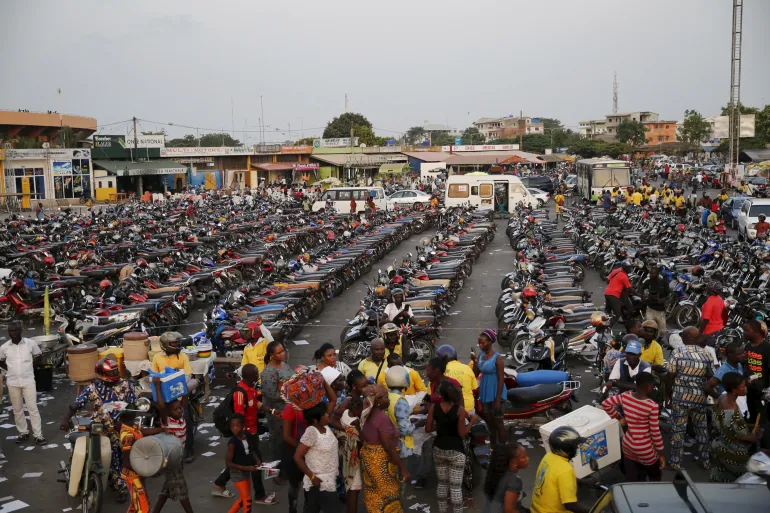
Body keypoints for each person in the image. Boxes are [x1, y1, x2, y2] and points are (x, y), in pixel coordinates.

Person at [62, 356, 137, 498]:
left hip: (119, 427)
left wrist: (125, 422)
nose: (114, 374)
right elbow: (77, 403)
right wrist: (65, 419)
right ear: (101, 374)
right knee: (86, 448)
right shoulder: (94, 388)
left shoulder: (126, 386)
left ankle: (119, 484)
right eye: (111, 372)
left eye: (115, 371)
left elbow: (133, 407)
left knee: (117, 451)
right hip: (98, 427)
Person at [213, 364, 278, 505]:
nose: (258, 376)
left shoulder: (250, 388)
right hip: (247, 434)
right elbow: (238, 417)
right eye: (256, 374)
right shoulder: (240, 393)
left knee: (242, 460)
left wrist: (271, 410)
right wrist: (243, 437)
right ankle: (260, 495)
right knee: (256, 462)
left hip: (252, 431)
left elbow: (255, 403)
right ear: (249, 376)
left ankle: (220, 482)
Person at [426, 381, 479, 513]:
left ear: (441, 394)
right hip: (456, 451)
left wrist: (440, 425)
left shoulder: (434, 408)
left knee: (442, 483)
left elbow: (427, 428)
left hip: (439, 448)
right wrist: (472, 421)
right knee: (455, 487)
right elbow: (462, 433)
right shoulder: (459, 410)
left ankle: (442, 510)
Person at [602, 372, 665, 481]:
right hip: (644, 449)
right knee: (655, 476)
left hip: (627, 445)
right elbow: (655, 433)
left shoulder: (626, 396)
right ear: (649, 386)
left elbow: (606, 404)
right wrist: (661, 454)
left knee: (631, 477)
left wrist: (619, 418)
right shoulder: (652, 406)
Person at [668, 326, 714, 470]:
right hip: (699, 399)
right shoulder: (707, 354)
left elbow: (670, 376)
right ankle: (705, 461)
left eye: (682, 335)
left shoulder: (677, 352)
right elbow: (711, 377)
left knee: (678, 431)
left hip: (680, 399)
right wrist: (705, 395)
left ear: (687, 337)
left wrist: (668, 394)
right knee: (701, 430)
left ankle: (676, 462)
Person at [359, 385, 408, 513]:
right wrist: (403, 469)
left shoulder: (366, 414)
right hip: (381, 464)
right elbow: (389, 447)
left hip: (369, 461)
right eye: (386, 397)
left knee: (374, 493)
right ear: (377, 400)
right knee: (388, 494)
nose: (389, 399)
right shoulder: (382, 419)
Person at [150, 376, 194, 513]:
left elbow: (184, 399)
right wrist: (158, 387)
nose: (180, 410)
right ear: (169, 412)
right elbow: (161, 407)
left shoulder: (181, 418)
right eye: (176, 409)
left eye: (180, 408)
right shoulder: (167, 420)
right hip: (171, 459)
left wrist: (182, 385)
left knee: (168, 488)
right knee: (181, 489)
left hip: (178, 457)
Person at [151, 331, 196, 463]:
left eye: (178, 342)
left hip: (179, 397)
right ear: (165, 344)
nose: (177, 345)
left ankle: (188, 450)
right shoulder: (157, 358)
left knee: (186, 421)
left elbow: (187, 375)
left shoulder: (183, 356)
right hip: (165, 398)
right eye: (174, 343)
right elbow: (154, 375)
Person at [294, 384, 338, 513]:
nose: (327, 415)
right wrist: (312, 477)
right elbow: (297, 457)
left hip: (330, 478)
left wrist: (323, 382)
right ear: (315, 419)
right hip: (318, 482)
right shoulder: (312, 432)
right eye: (324, 414)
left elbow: (333, 400)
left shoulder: (326, 427)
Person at [710, 372, 760, 482]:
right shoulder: (732, 410)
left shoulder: (722, 398)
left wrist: (750, 425)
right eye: (743, 386)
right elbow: (742, 436)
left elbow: (727, 424)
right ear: (734, 390)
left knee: (720, 482)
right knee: (743, 481)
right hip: (732, 452)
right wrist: (758, 436)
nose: (746, 388)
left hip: (719, 445)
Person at [0, 322, 45, 444]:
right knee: (17, 409)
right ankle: (23, 433)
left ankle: (38, 435)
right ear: (8, 332)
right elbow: (1, 361)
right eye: (11, 331)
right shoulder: (4, 347)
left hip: (28, 380)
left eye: (16, 330)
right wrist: (10, 369)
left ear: (21, 331)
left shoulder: (31, 343)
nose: (13, 333)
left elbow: (39, 357)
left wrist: (30, 367)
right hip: (12, 382)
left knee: (32, 408)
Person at [120, 406, 167, 513]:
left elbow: (144, 431)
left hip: (137, 471)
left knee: (135, 503)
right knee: (143, 506)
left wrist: (162, 430)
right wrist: (146, 471)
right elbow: (127, 462)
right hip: (133, 475)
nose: (136, 415)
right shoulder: (127, 436)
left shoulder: (131, 426)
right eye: (134, 413)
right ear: (127, 416)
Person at [530, 426, 586, 513]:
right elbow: (570, 505)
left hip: (537, 509)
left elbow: (557, 479)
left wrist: (585, 482)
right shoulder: (565, 469)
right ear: (568, 449)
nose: (578, 448)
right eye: (576, 446)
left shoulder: (548, 456)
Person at [261, 341, 294, 480]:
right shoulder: (269, 372)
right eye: (279, 352)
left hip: (288, 409)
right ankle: (275, 474)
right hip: (276, 412)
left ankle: (287, 469)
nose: (282, 354)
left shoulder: (284, 365)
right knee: (278, 441)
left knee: (287, 440)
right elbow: (270, 394)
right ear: (271, 355)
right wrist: (287, 392)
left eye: (283, 351)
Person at [470, 330, 506, 445]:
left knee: (498, 422)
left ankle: (503, 448)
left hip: (496, 392)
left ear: (490, 342)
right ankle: (494, 447)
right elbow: (476, 374)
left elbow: (501, 379)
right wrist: (475, 362)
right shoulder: (481, 355)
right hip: (485, 392)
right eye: (479, 343)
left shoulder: (497, 358)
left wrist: (498, 400)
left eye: (483, 343)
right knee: (490, 422)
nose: (480, 345)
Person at [225, 414, 262, 513]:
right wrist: (247, 468)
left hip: (245, 471)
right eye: (232, 426)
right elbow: (228, 463)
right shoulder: (232, 443)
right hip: (237, 473)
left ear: (243, 426)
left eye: (237, 426)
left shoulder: (247, 436)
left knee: (243, 498)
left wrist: (257, 460)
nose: (235, 428)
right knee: (247, 500)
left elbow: (251, 450)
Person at [384, 366, 420, 465]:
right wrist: (418, 424)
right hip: (402, 446)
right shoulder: (400, 401)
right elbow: (405, 430)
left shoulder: (387, 396)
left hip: (390, 442)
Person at [481, 443, 529, 513]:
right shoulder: (514, 481)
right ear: (514, 461)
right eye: (523, 457)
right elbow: (509, 510)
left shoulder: (497, 472)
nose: (527, 459)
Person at [743, 320, 770, 436]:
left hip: (762, 392)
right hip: (749, 389)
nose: (744, 333)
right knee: (752, 416)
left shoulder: (766, 348)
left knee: (762, 420)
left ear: (757, 332)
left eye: (747, 330)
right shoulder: (748, 346)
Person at [438, 345, 478, 413]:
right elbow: (474, 388)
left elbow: (431, 393)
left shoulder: (439, 372)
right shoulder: (467, 368)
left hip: (449, 410)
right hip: (468, 408)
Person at [604, 260, 636, 326]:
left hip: (607, 293)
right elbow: (630, 289)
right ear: (625, 268)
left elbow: (607, 281)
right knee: (617, 314)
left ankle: (602, 322)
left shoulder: (615, 271)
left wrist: (616, 283)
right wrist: (639, 295)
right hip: (614, 295)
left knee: (607, 310)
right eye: (629, 268)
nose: (630, 269)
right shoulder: (624, 276)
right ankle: (608, 326)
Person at [640, 266, 669, 337]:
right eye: (650, 273)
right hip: (650, 309)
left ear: (657, 274)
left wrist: (663, 299)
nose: (651, 275)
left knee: (662, 331)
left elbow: (669, 295)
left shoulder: (664, 282)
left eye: (653, 273)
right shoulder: (648, 282)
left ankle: (659, 340)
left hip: (660, 310)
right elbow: (641, 288)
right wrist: (643, 298)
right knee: (648, 327)